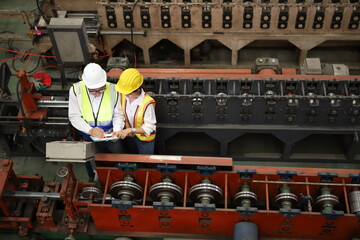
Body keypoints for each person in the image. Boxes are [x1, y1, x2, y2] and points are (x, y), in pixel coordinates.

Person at [68, 63, 124, 153]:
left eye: (101, 89)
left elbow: (118, 115)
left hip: (111, 136)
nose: (98, 93)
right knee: (96, 159)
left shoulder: (114, 89)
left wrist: (117, 131)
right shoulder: (76, 90)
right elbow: (74, 116)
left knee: (118, 156)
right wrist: (90, 130)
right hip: (88, 136)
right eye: (93, 91)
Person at [113, 68, 156, 154]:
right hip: (130, 137)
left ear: (137, 89)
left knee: (145, 163)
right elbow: (120, 114)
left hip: (145, 141)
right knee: (133, 157)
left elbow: (150, 127)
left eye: (128, 93)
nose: (125, 95)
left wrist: (130, 130)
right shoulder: (123, 96)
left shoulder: (147, 103)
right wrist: (117, 130)